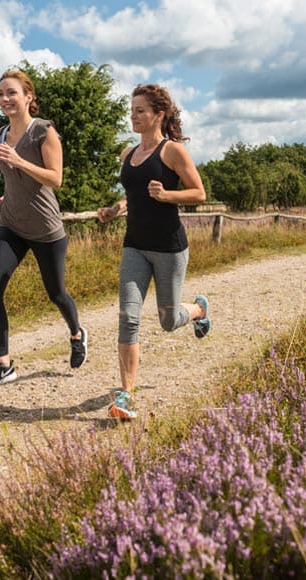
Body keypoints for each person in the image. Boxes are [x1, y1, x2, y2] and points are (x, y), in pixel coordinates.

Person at [97, 83, 211, 420]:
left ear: (158, 114)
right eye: (131, 111)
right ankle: (126, 396)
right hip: (135, 245)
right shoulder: (128, 155)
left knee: (167, 319)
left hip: (169, 248)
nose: (134, 116)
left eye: (140, 111)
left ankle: (199, 310)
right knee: (128, 317)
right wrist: (115, 209)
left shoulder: (172, 151)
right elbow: (133, 196)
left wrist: (168, 196)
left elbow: (199, 193)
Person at [0, 69, 87, 388]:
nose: (5, 99)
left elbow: (55, 179)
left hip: (45, 228)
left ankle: (77, 333)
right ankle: (3, 364)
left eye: (11, 92)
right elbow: (13, 178)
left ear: (28, 96)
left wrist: (19, 161)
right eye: (0, 94)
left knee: (56, 293)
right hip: (11, 223)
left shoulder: (44, 132)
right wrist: (9, 193)